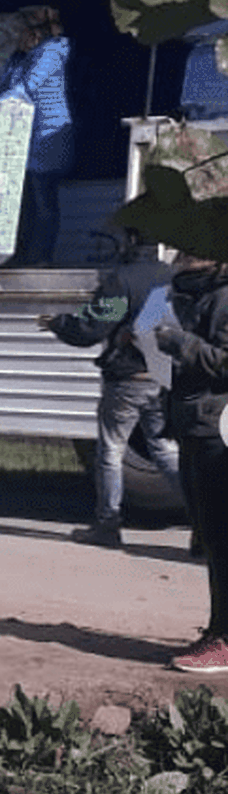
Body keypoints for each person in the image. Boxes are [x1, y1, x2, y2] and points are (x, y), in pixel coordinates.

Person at [40, 231, 180, 547]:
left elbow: (92, 329)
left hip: (127, 377)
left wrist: (57, 323)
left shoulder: (121, 280)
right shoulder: (169, 276)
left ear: (129, 242)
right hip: (161, 374)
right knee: (165, 450)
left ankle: (107, 525)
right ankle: (205, 518)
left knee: (111, 451)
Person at [155, 255, 228, 673]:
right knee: (211, 538)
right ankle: (218, 630)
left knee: (222, 538)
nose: (179, 252)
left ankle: (224, 640)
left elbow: (222, 360)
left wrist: (174, 341)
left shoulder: (222, 296)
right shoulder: (179, 291)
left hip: (215, 427)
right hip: (192, 421)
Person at [0, 5, 75, 267]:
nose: (16, 36)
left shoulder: (54, 50)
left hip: (48, 135)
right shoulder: (18, 58)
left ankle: (40, 257)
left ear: (36, 32)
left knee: (43, 199)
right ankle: (16, 255)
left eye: (21, 30)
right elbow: (3, 87)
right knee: (21, 202)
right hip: (20, 136)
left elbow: (28, 87)